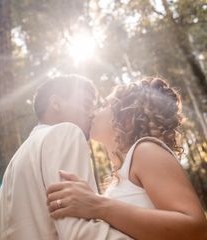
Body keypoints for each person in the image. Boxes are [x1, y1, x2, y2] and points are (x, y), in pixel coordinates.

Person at [47, 77, 207, 240]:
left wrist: (98, 206)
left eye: (103, 105)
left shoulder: (146, 151)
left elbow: (196, 229)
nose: (93, 112)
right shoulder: (123, 174)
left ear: (127, 117)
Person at [0, 75, 131, 239]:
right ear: (56, 104)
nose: (93, 114)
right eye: (86, 105)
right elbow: (82, 234)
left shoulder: (15, 163)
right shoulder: (66, 133)